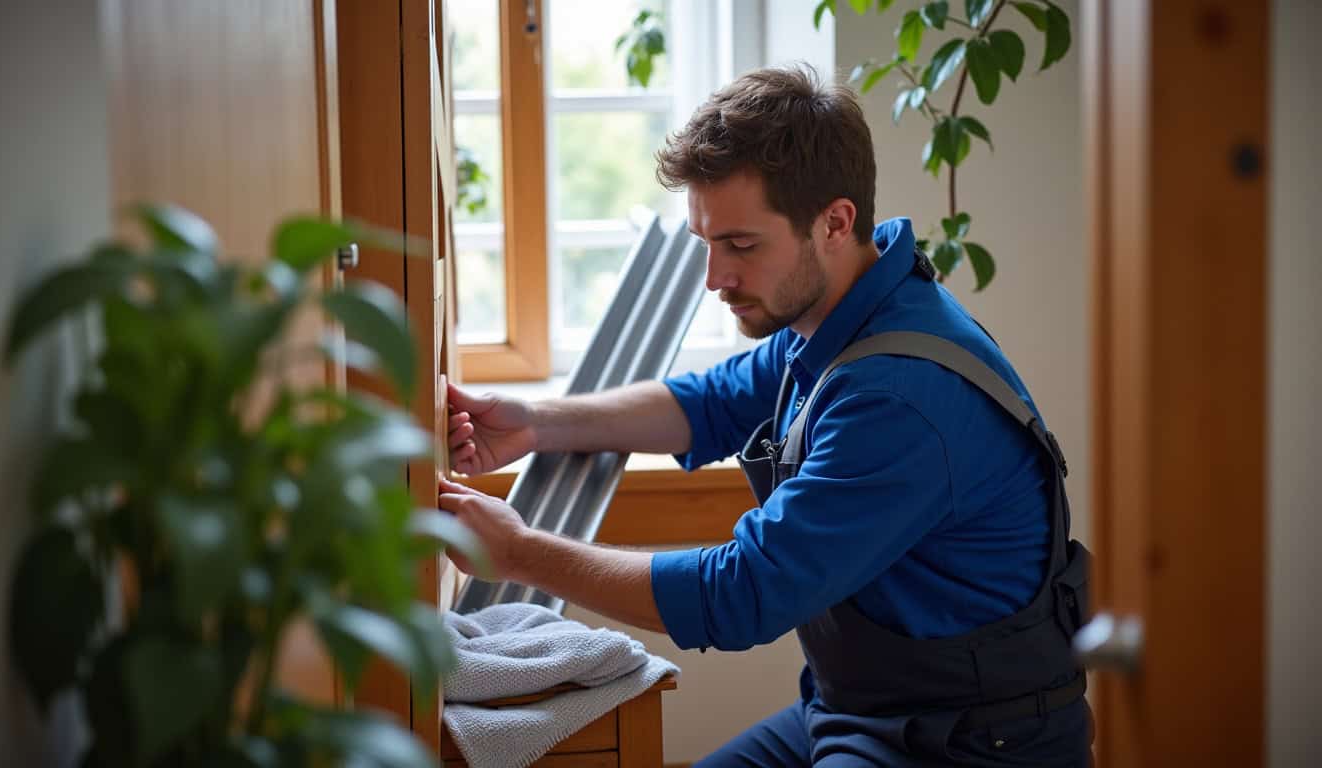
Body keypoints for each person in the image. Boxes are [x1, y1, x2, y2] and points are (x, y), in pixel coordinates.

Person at [437, 65, 1092, 767]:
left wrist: (518, 553)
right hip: (853, 711)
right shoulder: (835, 313)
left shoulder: (898, 396)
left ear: (835, 222)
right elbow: (708, 404)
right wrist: (538, 421)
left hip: (967, 743)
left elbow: (743, 593)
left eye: (741, 246)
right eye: (707, 243)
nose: (715, 277)